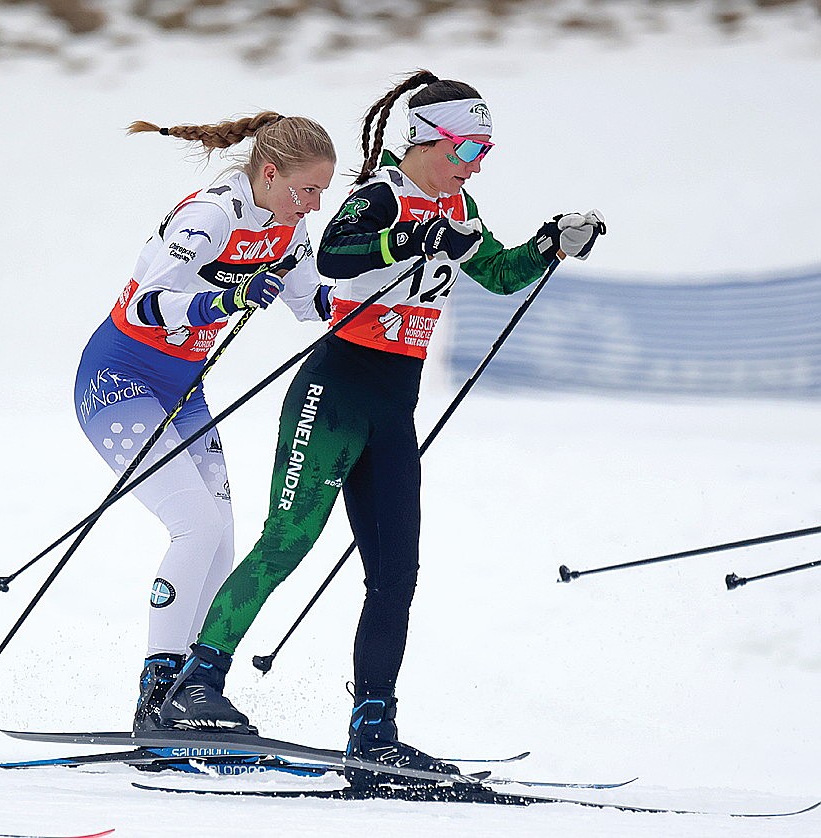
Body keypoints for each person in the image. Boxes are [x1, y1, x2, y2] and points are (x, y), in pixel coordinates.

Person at [158, 70, 605, 785]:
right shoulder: (382, 195)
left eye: (486, 148)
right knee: (289, 539)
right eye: (467, 146)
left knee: (396, 573)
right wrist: (416, 236)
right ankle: (195, 686)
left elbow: (496, 273)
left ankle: (374, 730)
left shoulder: (460, 201)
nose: (476, 161)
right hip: (334, 391)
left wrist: (551, 243)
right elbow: (337, 253)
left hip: (394, 408)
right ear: (428, 141)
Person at [73, 111, 337, 733]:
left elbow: (316, 304)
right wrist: (224, 298)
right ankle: (155, 693)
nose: (314, 205)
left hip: (182, 388)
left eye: (323, 193)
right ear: (268, 173)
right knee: (192, 525)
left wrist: (398, 284)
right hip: (119, 380)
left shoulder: (288, 226)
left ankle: (191, 690)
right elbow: (144, 302)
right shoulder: (212, 215)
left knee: (220, 532)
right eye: (307, 190)